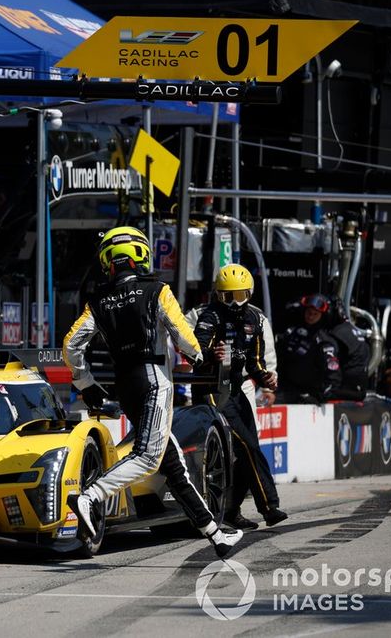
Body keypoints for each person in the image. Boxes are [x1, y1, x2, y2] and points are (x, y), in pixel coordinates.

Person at [62, 226, 242, 558]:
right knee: (148, 457)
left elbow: (71, 347)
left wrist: (86, 384)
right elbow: (184, 336)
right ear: (141, 255)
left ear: (108, 261)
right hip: (154, 380)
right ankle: (89, 497)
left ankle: (215, 534)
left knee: (173, 466)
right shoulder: (157, 290)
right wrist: (199, 356)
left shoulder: (97, 301)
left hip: (125, 384)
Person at [191, 264, 286, 531]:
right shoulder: (207, 315)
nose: (234, 301)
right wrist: (211, 354)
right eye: (227, 295)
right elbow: (196, 348)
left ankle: (234, 510)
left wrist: (265, 377)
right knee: (245, 445)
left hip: (237, 388)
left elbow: (256, 361)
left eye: (240, 294)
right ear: (218, 294)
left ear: (250, 293)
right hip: (211, 389)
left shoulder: (255, 319)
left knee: (249, 447)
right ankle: (269, 506)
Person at [276, 293, 342, 402]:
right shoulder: (291, 332)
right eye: (309, 312)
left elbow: (333, 374)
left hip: (308, 395)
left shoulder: (325, 342)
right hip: (284, 388)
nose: (310, 316)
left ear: (322, 315)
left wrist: (321, 397)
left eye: (315, 314)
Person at [325, 300, 370, 400]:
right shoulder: (351, 330)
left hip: (345, 392)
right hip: (359, 390)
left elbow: (331, 366)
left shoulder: (336, 334)